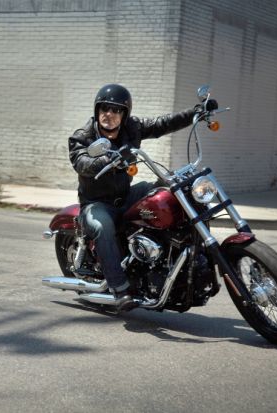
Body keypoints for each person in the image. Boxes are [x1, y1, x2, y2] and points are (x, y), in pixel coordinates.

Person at [68, 84, 217, 311]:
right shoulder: (83, 136)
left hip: (125, 195)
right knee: (102, 226)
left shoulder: (132, 127)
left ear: (124, 114)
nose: (109, 114)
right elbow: (81, 162)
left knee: (170, 189)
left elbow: (161, 124)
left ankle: (189, 254)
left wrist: (196, 112)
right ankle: (119, 288)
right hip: (97, 203)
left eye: (116, 110)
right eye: (104, 108)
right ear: (97, 110)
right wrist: (108, 160)